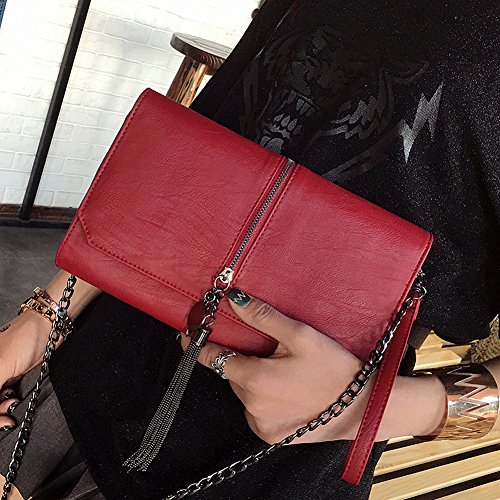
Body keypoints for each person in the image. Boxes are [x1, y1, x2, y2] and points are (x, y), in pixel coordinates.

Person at [0, 0, 499, 498]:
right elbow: (199, 146)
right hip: (77, 375)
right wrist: (46, 315)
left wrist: (377, 409)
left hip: (262, 462)